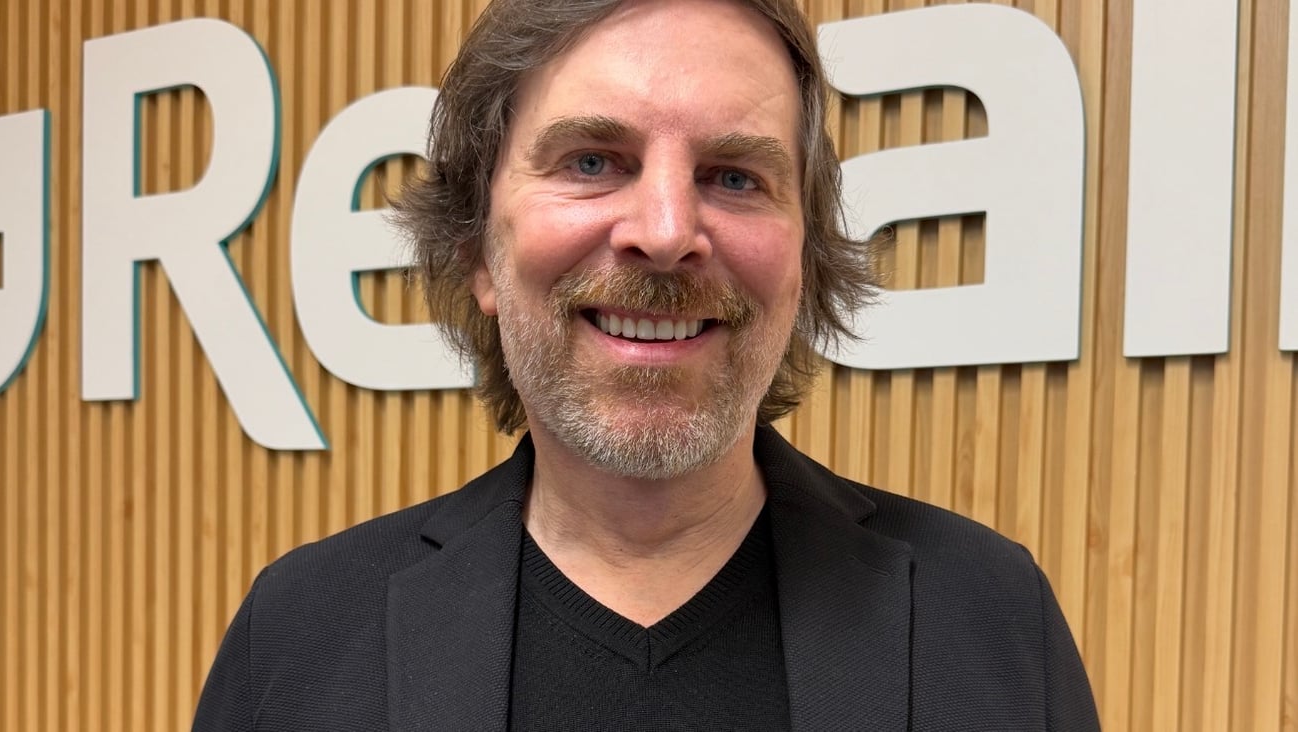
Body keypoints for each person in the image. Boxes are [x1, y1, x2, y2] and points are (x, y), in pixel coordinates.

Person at [193, 0, 1101, 728]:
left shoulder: (987, 619)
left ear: (804, 257)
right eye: (594, 160)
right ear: (477, 252)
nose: (666, 233)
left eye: (734, 176)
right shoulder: (302, 636)